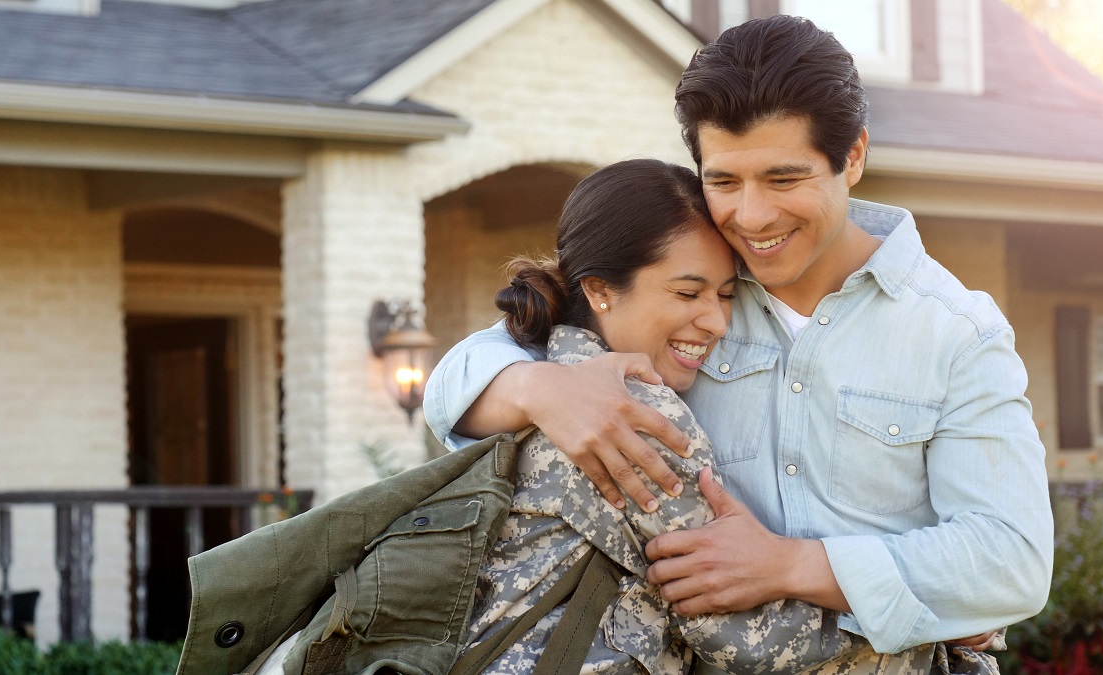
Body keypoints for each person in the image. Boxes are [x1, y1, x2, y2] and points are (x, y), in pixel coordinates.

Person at [424, 13, 1053, 662]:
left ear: (854, 155)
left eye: (784, 179)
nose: (751, 217)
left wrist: (793, 565)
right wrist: (536, 386)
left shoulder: (957, 331)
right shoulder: (691, 293)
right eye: (723, 181)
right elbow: (456, 382)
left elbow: (1010, 563)